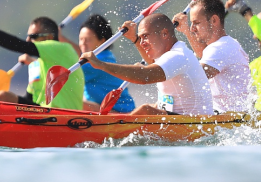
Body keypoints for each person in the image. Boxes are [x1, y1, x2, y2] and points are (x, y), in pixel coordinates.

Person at [81, 13, 213, 116]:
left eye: (146, 36)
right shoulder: (170, 55)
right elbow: (152, 64)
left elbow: (145, 76)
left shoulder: (178, 56)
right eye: (141, 37)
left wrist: (101, 65)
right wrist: (135, 39)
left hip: (196, 125)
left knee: (146, 110)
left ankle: (110, 133)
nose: (143, 42)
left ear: (165, 33)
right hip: (182, 120)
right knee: (153, 106)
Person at [0, 13, 85, 111]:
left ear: (48, 38)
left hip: (65, 115)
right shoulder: (36, 66)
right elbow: (28, 100)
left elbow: (18, 45)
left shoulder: (62, 49)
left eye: (33, 36)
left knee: (3, 96)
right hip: (44, 114)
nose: (28, 40)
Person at [172, 0, 251, 112]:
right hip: (229, 116)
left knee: (149, 109)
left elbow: (195, 78)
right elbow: (202, 54)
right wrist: (185, 29)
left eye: (196, 23)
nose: (192, 28)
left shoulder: (219, 48)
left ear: (214, 20)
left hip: (229, 120)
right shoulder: (226, 43)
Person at [78, 14, 134, 113]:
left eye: (88, 40)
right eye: (81, 39)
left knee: (76, 102)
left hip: (122, 112)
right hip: (103, 109)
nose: (83, 43)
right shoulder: (107, 56)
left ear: (102, 41)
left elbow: (70, 72)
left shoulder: (100, 62)